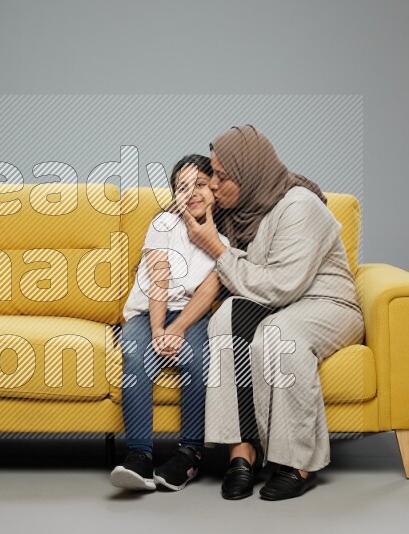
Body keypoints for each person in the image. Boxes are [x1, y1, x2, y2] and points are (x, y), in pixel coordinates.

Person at [181, 125, 365, 500]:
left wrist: (216, 249)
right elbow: (252, 283)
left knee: (277, 337)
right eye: (212, 174)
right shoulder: (243, 210)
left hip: (325, 304)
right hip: (279, 304)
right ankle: (241, 450)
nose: (213, 185)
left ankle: (296, 461)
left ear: (250, 173)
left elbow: (282, 285)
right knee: (224, 320)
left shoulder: (299, 206)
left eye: (222, 176)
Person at [110, 154, 230, 492]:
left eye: (201, 185)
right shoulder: (163, 224)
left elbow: (208, 292)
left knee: (196, 358)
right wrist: (159, 330)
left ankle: (189, 454)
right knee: (136, 357)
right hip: (150, 312)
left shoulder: (226, 239)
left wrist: (178, 330)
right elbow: (159, 279)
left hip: (192, 315)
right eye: (183, 188)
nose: (192, 193)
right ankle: (139, 456)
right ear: (174, 195)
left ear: (215, 189)